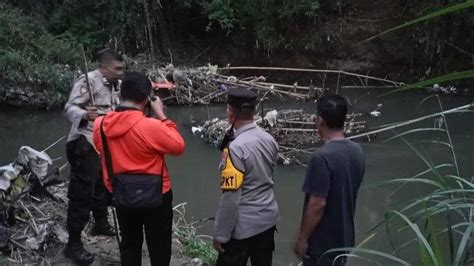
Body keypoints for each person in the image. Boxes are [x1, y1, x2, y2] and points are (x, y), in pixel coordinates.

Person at [92, 72, 186, 265]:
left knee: (129, 243)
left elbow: (102, 151)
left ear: (120, 95)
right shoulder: (151, 126)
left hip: (121, 193)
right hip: (157, 195)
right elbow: (178, 146)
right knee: (159, 246)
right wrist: (160, 114)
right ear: (146, 99)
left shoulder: (100, 125)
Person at [63, 49, 124, 264]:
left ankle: (100, 222)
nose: (120, 72)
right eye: (116, 68)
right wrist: (83, 115)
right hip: (84, 140)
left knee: (103, 184)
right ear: (104, 66)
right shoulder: (88, 81)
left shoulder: (116, 84)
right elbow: (69, 107)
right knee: (82, 192)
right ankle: (73, 243)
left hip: (105, 141)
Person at [294, 95, 365, 266]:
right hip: (344, 239)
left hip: (322, 245)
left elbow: (317, 204)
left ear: (319, 121)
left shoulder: (321, 158)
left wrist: (302, 239)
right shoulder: (357, 151)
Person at [213, 88, 279, 266]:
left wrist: (221, 234)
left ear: (230, 112)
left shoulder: (235, 149)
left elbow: (231, 198)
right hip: (268, 220)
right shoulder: (269, 140)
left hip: (242, 228)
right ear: (254, 111)